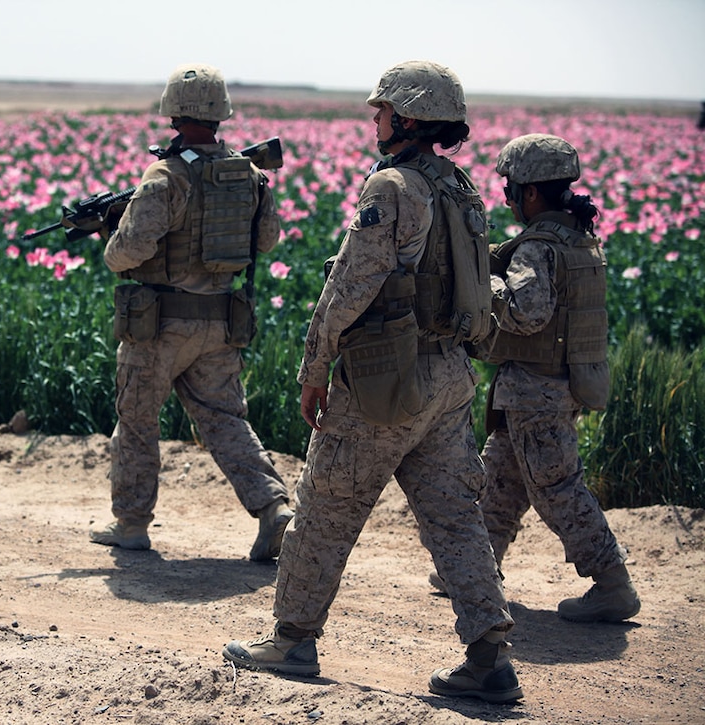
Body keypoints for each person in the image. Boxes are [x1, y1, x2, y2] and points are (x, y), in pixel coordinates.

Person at [223, 60, 522, 703]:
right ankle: (489, 655)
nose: (374, 119)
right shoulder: (460, 189)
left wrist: (314, 367)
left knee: (327, 507)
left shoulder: (391, 188)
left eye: (381, 110)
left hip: (387, 375)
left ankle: (292, 639)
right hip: (450, 374)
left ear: (408, 116)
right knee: (455, 519)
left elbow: (350, 287)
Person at [429, 133, 640, 623]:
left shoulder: (539, 248)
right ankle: (475, 568)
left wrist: (485, 282)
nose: (506, 197)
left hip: (537, 391)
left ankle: (612, 581)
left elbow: (527, 312)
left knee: (556, 486)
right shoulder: (580, 239)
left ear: (529, 193)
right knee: (500, 478)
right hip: (547, 385)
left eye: (510, 188)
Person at [89, 62, 293, 562]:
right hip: (221, 321)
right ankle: (273, 507)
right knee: (224, 419)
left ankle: (132, 524)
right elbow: (268, 239)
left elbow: (127, 253)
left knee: (137, 420)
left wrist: (107, 234)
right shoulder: (249, 174)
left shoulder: (165, 175)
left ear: (174, 112)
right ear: (220, 112)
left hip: (159, 324)